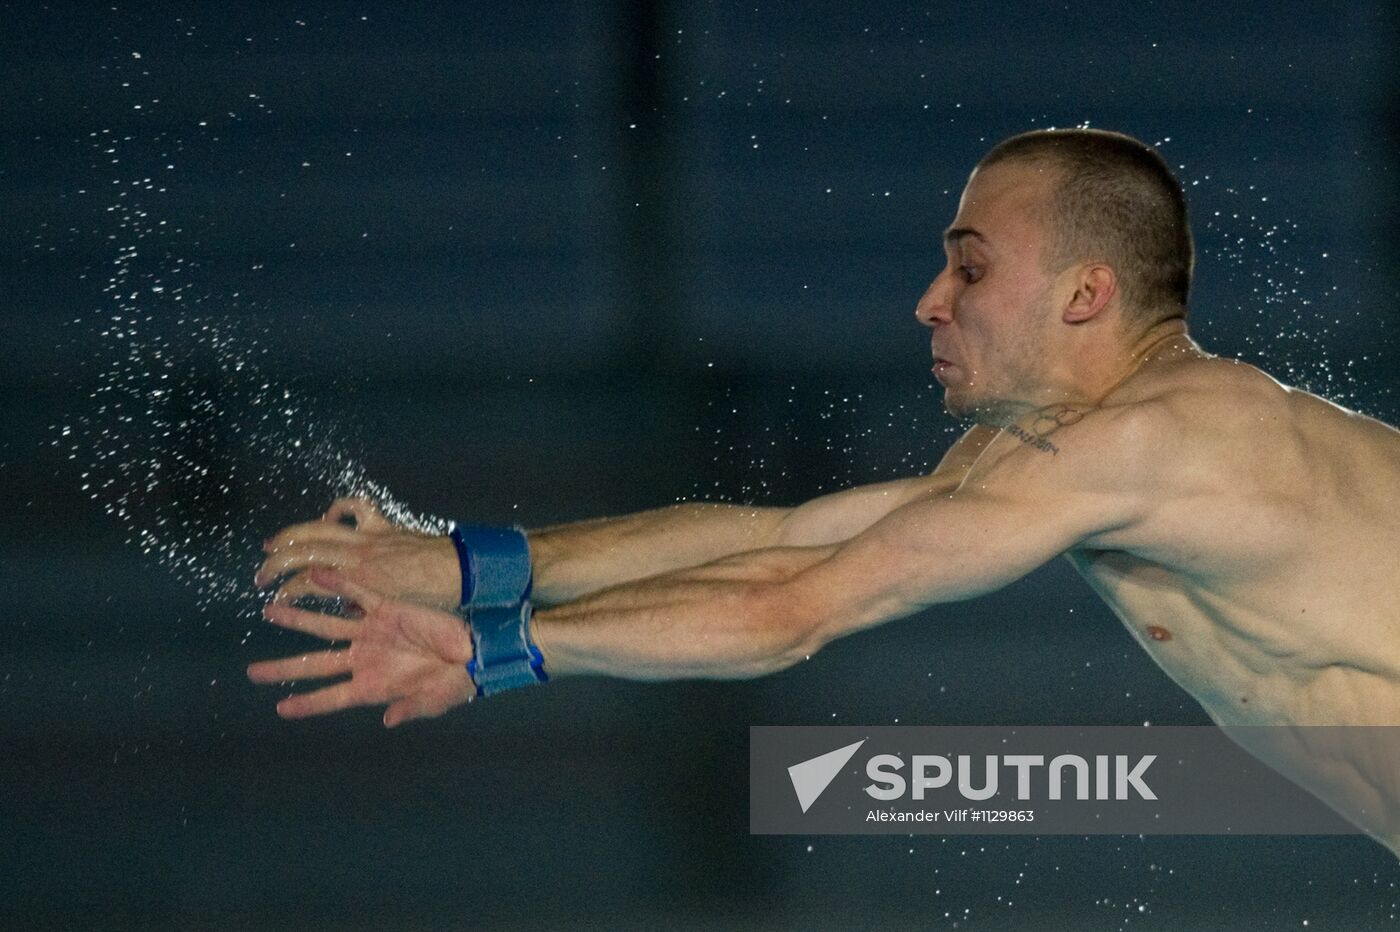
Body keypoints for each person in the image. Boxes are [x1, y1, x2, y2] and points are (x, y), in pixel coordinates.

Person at [247, 128, 1400, 852]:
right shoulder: (1048, 454)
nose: (929, 300)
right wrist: (469, 566)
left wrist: (494, 652)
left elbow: (787, 610)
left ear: (1084, 294)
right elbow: (789, 541)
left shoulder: (1154, 440)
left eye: (969, 265)